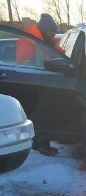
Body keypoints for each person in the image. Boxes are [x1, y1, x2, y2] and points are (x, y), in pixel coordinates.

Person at [15, 14, 64, 155]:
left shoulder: (47, 39)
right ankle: (41, 144)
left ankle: (41, 143)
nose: (54, 34)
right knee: (40, 113)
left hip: (45, 79)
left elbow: (60, 54)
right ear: (45, 29)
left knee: (45, 112)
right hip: (32, 81)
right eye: (52, 31)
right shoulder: (28, 39)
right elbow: (24, 63)